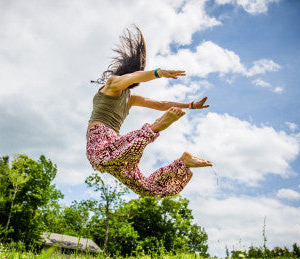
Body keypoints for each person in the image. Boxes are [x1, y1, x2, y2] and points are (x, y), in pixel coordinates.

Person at [86, 26, 212, 197]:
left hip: (109, 143)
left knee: (104, 162)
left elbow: (161, 104)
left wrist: (190, 105)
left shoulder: (130, 97)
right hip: (114, 145)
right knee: (143, 188)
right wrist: (156, 73)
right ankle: (174, 151)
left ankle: (162, 137)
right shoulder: (112, 84)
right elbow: (131, 79)